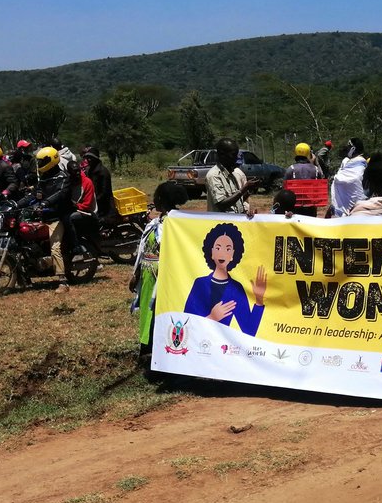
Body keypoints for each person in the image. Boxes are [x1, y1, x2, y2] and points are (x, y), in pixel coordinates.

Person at [130, 180, 189, 360]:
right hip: (148, 274)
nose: (153, 199)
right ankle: (146, 348)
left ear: (161, 199)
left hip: (163, 276)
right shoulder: (156, 222)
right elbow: (143, 250)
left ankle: (156, 353)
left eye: (155, 196)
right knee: (148, 310)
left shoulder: (176, 223)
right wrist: (136, 274)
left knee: (158, 313)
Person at [183, 222, 267, 336]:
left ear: (233, 254)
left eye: (228, 249)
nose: (222, 253)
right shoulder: (200, 283)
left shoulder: (236, 289)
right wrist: (212, 317)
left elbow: (249, 331)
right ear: (211, 252)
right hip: (196, 346)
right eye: (218, 248)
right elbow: (186, 322)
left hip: (221, 348)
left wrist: (259, 301)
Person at [34, 146, 74, 292]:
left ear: (51, 161)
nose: (39, 165)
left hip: (58, 218)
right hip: (44, 216)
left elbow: (60, 194)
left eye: (42, 162)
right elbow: (34, 195)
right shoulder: (44, 178)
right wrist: (15, 204)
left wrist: (46, 202)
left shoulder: (63, 178)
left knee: (55, 247)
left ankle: (63, 281)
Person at [205, 138, 258, 215]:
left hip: (235, 222)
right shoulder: (214, 175)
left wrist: (249, 190)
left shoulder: (231, 174)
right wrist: (244, 189)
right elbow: (222, 204)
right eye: (233, 155)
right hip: (222, 223)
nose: (236, 158)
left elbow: (237, 201)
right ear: (222, 154)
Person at [329, 138, 367, 216]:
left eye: (349, 147)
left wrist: (336, 178)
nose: (347, 148)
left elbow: (354, 179)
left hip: (358, 204)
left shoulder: (360, 163)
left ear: (353, 148)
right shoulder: (347, 161)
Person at [81, 147, 116, 220]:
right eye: (87, 158)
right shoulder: (90, 170)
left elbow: (105, 192)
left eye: (91, 158)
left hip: (104, 206)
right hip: (96, 202)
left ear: (96, 159)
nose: (88, 160)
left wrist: (93, 201)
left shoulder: (103, 172)